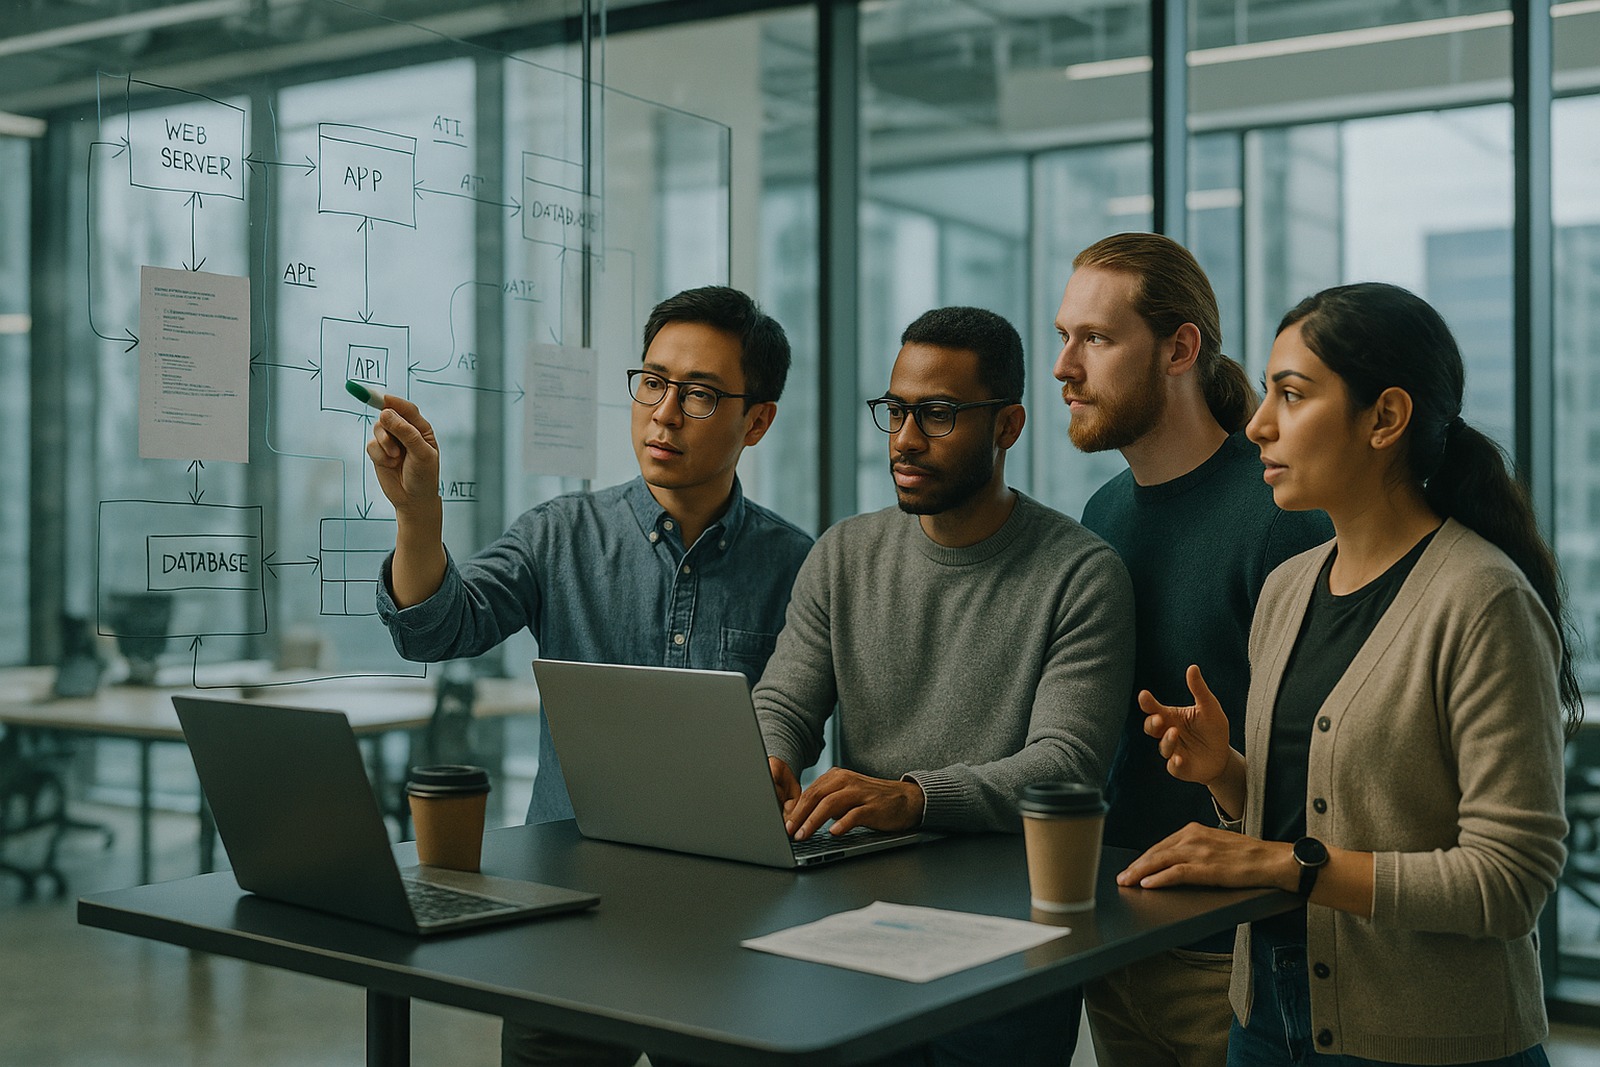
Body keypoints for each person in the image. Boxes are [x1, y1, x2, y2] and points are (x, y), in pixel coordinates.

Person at [1121, 281, 1579, 1066]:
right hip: (1264, 1014)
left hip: (1432, 1038)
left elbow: (1510, 883)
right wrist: (1229, 776)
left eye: (1292, 394)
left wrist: (1277, 863)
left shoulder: (1482, 599)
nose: (1259, 423)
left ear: (1386, 418)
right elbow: (1318, 825)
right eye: (1266, 393)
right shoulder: (1288, 588)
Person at [366, 284, 814, 1067]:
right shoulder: (559, 534)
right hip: (567, 918)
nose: (665, 413)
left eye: (701, 394)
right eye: (652, 381)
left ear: (759, 419)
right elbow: (436, 628)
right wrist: (417, 514)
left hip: (732, 929)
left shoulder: (798, 565)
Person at [755, 305, 1135, 1065]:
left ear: (1007, 426)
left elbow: (1066, 765)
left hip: (1010, 940)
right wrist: (763, 757)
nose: (903, 438)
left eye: (936, 414)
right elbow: (784, 702)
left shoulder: (1082, 573)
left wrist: (915, 796)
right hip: (855, 922)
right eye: (895, 410)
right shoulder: (844, 553)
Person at [1052, 232, 1331, 1067]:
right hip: (1118, 932)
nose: (1065, 365)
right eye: (1064, 336)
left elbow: (1329, 763)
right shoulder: (1103, 513)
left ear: (1180, 347)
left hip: (1235, 952)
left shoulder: (1282, 516)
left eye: (1095, 339)